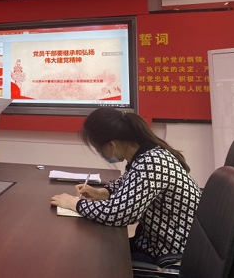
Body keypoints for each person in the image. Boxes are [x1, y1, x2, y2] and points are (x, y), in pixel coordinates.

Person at [50, 107, 201, 263]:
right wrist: (101, 192)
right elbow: (129, 184)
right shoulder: (147, 153)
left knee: (90, 260)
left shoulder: (151, 163)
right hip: (153, 242)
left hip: (170, 253)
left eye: (99, 148)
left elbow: (120, 214)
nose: (100, 153)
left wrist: (75, 204)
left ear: (111, 145)